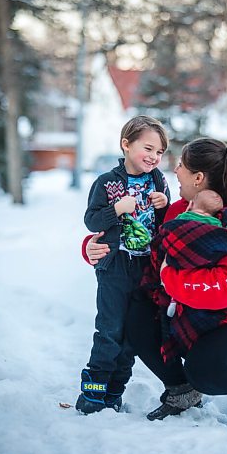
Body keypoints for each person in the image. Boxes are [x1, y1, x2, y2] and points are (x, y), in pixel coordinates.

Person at [83, 138, 227, 428]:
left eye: (180, 165)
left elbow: (222, 290)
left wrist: (170, 276)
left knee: (204, 370)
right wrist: (91, 248)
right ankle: (181, 390)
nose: (175, 170)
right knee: (138, 314)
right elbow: (139, 241)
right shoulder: (178, 211)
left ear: (198, 177)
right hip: (201, 322)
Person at [76, 115, 170, 415]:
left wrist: (164, 205)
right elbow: (91, 220)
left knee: (130, 336)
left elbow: (165, 228)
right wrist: (117, 208)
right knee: (109, 330)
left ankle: (115, 391)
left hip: (145, 270)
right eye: (149, 148)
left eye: (160, 152)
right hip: (115, 266)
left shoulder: (158, 182)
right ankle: (92, 393)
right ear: (126, 144)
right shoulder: (106, 182)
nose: (154, 157)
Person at [140, 189, 227, 366]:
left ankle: (172, 301)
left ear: (190, 204)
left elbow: (164, 237)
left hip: (175, 262)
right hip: (200, 265)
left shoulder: (181, 219)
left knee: (172, 268)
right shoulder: (216, 226)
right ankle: (176, 303)